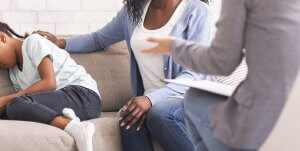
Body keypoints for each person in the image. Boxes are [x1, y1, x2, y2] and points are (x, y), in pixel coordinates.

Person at [34, 0, 213, 150]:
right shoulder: (133, 11)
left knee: (159, 114)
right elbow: (98, 39)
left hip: (190, 97)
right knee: (127, 119)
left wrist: (150, 100)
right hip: (152, 101)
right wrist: (61, 42)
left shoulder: (196, 11)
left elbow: (196, 72)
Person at [142, 0, 300, 150]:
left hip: (263, 111)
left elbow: (222, 62)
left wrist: (173, 46)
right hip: (290, 109)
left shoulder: (201, 9)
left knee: (194, 100)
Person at [0, 22, 102, 151]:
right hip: (65, 105)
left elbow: (49, 83)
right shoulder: (14, 74)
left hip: (84, 96)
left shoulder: (33, 42)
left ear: (2, 38)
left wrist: (6, 100)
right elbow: (29, 105)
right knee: (11, 109)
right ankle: (72, 124)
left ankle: (77, 129)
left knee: (13, 104)